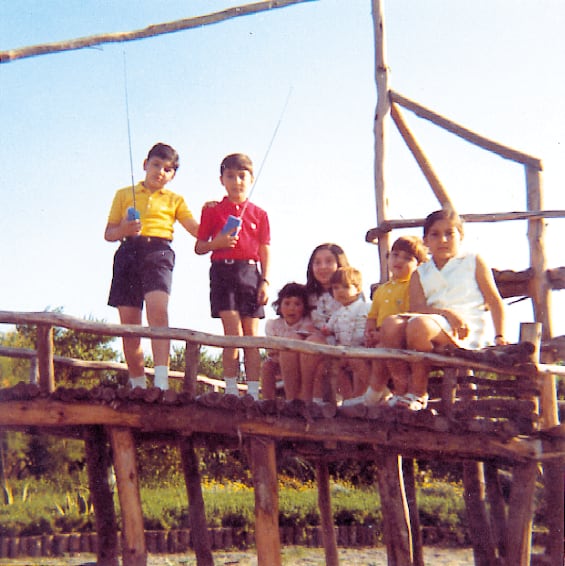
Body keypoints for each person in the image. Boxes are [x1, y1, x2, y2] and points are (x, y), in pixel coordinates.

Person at [381, 208, 507, 411]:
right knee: (390, 324)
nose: (443, 240)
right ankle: (401, 391)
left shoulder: (472, 261)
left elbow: (494, 300)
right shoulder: (421, 272)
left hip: (465, 328)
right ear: (426, 241)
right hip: (435, 321)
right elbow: (417, 307)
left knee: (419, 325)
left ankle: (419, 393)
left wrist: (500, 334)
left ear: (461, 237)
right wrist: (446, 313)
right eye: (435, 234)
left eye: (450, 233)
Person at [105, 142, 199, 390]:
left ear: (173, 175)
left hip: (158, 252)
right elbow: (109, 233)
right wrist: (124, 229)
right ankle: (137, 384)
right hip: (128, 252)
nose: (160, 172)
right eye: (157, 165)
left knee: (158, 311)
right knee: (129, 324)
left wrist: (215, 220)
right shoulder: (124, 194)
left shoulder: (175, 199)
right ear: (145, 165)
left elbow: (195, 228)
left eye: (168, 169)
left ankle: (160, 382)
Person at [195, 153, 270, 400]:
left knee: (251, 336)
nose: (236, 181)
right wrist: (218, 242)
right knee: (233, 334)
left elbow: (264, 248)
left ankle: (252, 392)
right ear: (221, 180)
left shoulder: (260, 214)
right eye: (230, 176)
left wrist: (265, 280)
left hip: (250, 273)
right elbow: (199, 246)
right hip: (223, 271)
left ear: (251, 179)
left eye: (241, 176)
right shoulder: (213, 210)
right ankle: (229, 390)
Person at [343, 235, 428, 407]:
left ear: (418, 265)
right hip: (380, 338)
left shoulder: (412, 287)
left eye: (407, 258)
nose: (399, 261)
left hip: (400, 338)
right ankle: (375, 394)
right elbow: (373, 315)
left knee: (383, 352)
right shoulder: (383, 289)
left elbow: (410, 316)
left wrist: (381, 335)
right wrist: (369, 332)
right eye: (395, 255)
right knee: (364, 356)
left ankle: (386, 395)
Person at [299, 243, 350, 402]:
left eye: (329, 262)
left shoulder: (350, 291)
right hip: (316, 345)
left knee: (313, 343)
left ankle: (308, 400)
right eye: (317, 262)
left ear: (339, 264)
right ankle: (293, 399)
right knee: (293, 339)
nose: (323, 267)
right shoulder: (308, 295)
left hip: (344, 344)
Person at [321, 266, 370, 400]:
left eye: (346, 287)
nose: (340, 291)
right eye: (336, 288)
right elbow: (328, 328)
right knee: (336, 366)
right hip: (344, 351)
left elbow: (374, 324)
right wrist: (326, 331)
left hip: (363, 348)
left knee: (357, 363)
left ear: (358, 289)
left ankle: (370, 391)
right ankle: (348, 397)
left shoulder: (366, 307)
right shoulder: (337, 313)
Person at [262, 282, 316, 400]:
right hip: (278, 364)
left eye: (297, 304)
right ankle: (268, 401)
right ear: (279, 306)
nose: (291, 308)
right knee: (267, 365)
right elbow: (271, 350)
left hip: (299, 364)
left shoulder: (307, 324)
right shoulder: (273, 324)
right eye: (287, 303)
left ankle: (295, 399)